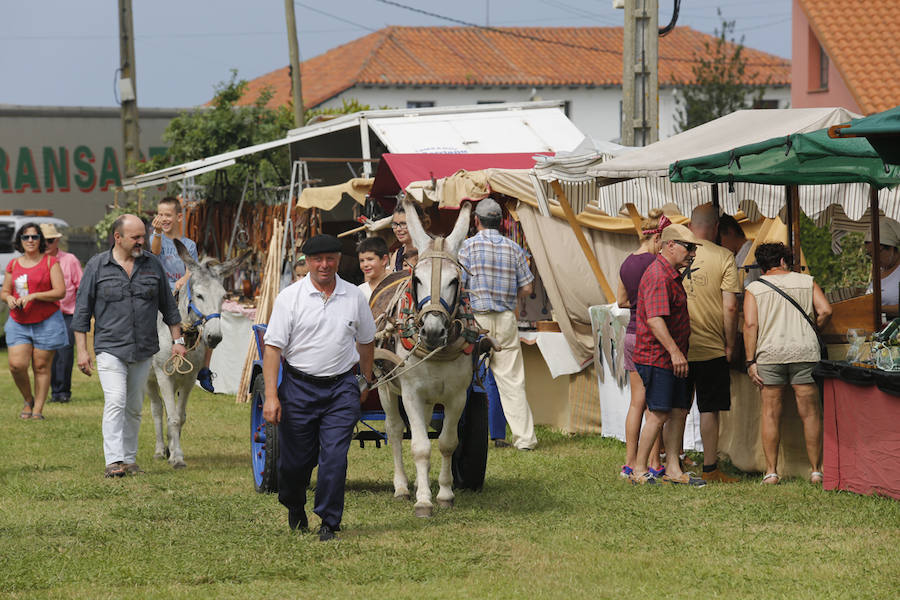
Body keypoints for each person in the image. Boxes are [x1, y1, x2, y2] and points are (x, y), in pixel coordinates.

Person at [262, 234, 375, 541]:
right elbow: (272, 349)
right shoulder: (290, 297)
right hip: (299, 387)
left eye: (330, 259)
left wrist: (363, 380)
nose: (324, 265)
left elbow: (366, 342)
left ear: (339, 260)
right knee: (296, 461)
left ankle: (329, 520)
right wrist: (271, 396)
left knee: (335, 457)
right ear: (307, 262)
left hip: (340, 389)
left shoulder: (354, 297)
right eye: (317, 260)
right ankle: (294, 505)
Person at [73, 214, 185, 478]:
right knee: (116, 400)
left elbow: (168, 307)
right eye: (135, 237)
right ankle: (113, 461)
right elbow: (81, 312)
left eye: (142, 236)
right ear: (118, 237)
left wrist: (178, 341)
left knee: (134, 406)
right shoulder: (97, 266)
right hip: (110, 347)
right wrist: (82, 350)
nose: (141, 241)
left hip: (144, 348)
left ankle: (130, 459)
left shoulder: (152, 264)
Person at [743, 242, 831, 485]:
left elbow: (750, 325)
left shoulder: (755, 289)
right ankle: (816, 470)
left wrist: (750, 360)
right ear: (783, 261)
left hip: (770, 354)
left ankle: (771, 472)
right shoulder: (806, 281)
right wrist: (813, 330)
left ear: (762, 267)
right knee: (811, 413)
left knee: (770, 413)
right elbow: (825, 310)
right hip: (804, 352)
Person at [629, 224, 706, 486]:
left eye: (694, 248)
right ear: (670, 245)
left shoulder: (669, 273)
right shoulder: (659, 275)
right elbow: (655, 320)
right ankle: (639, 470)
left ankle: (673, 468)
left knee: (678, 410)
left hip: (671, 356)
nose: (693, 254)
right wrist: (674, 352)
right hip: (658, 357)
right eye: (689, 247)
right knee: (659, 413)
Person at [458, 198, 537, 451]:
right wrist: (508, 295)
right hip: (505, 318)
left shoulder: (466, 247)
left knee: (467, 377)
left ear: (476, 221)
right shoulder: (514, 248)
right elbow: (528, 287)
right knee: (512, 380)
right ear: (501, 222)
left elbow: (459, 286)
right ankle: (525, 439)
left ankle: (465, 433)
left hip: (476, 319)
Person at [683, 204, 741, 483]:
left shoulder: (673, 252)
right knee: (708, 408)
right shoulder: (724, 256)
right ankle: (709, 468)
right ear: (716, 227)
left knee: (677, 407)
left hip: (677, 346)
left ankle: (673, 463)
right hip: (711, 346)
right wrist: (730, 344)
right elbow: (730, 308)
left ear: (691, 225)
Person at [616, 209, 668, 478]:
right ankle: (654, 463)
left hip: (631, 334)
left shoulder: (627, 263)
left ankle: (629, 462)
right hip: (651, 337)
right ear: (657, 238)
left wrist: (637, 303)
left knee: (636, 402)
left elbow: (621, 301)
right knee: (655, 404)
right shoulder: (655, 264)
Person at [149, 196, 215, 393]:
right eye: (160, 214)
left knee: (209, 322)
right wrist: (158, 232)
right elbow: (154, 253)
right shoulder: (156, 237)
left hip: (183, 295)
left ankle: (204, 368)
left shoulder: (189, 244)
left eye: (167, 215)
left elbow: (192, 268)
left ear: (179, 216)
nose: (163, 218)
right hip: (162, 293)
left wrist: (184, 280)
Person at [1, 223, 67, 420]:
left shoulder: (50, 262)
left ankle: (37, 409)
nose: (30, 241)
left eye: (34, 237)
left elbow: (60, 291)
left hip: (46, 321)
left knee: (41, 366)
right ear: (20, 241)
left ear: (41, 240)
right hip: (18, 321)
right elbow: (5, 291)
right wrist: (8, 298)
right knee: (16, 365)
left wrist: (34, 296)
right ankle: (28, 399)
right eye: (25, 237)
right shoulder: (13, 264)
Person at [42, 223, 83, 404]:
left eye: (50, 241)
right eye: (42, 241)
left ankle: (63, 392)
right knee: (47, 354)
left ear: (57, 241)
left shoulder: (69, 260)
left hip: (67, 313)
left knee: (65, 354)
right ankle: (53, 391)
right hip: (43, 315)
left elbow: (80, 287)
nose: (46, 245)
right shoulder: (37, 261)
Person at [864, 216, 900, 311]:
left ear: (891, 247)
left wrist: (878, 310)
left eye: (878, 252)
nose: (874, 259)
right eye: (870, 255)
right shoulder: (879, 271)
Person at [718, 213, 761, 288]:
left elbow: (749, 285)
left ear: (730, 232)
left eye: (720, 239)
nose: (720, 244)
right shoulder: (739, 254)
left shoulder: (748, 254)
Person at [390, 202, 428, 272]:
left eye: (404, 224)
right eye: (395, 224)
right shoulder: (396, 256)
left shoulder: (431, 252)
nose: (398, 229)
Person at [356, 237, 390, 301]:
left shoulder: (397, 285)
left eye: (370, 259)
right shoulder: (359, 292)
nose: (365, 264)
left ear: (384, 260)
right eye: (362, 261)